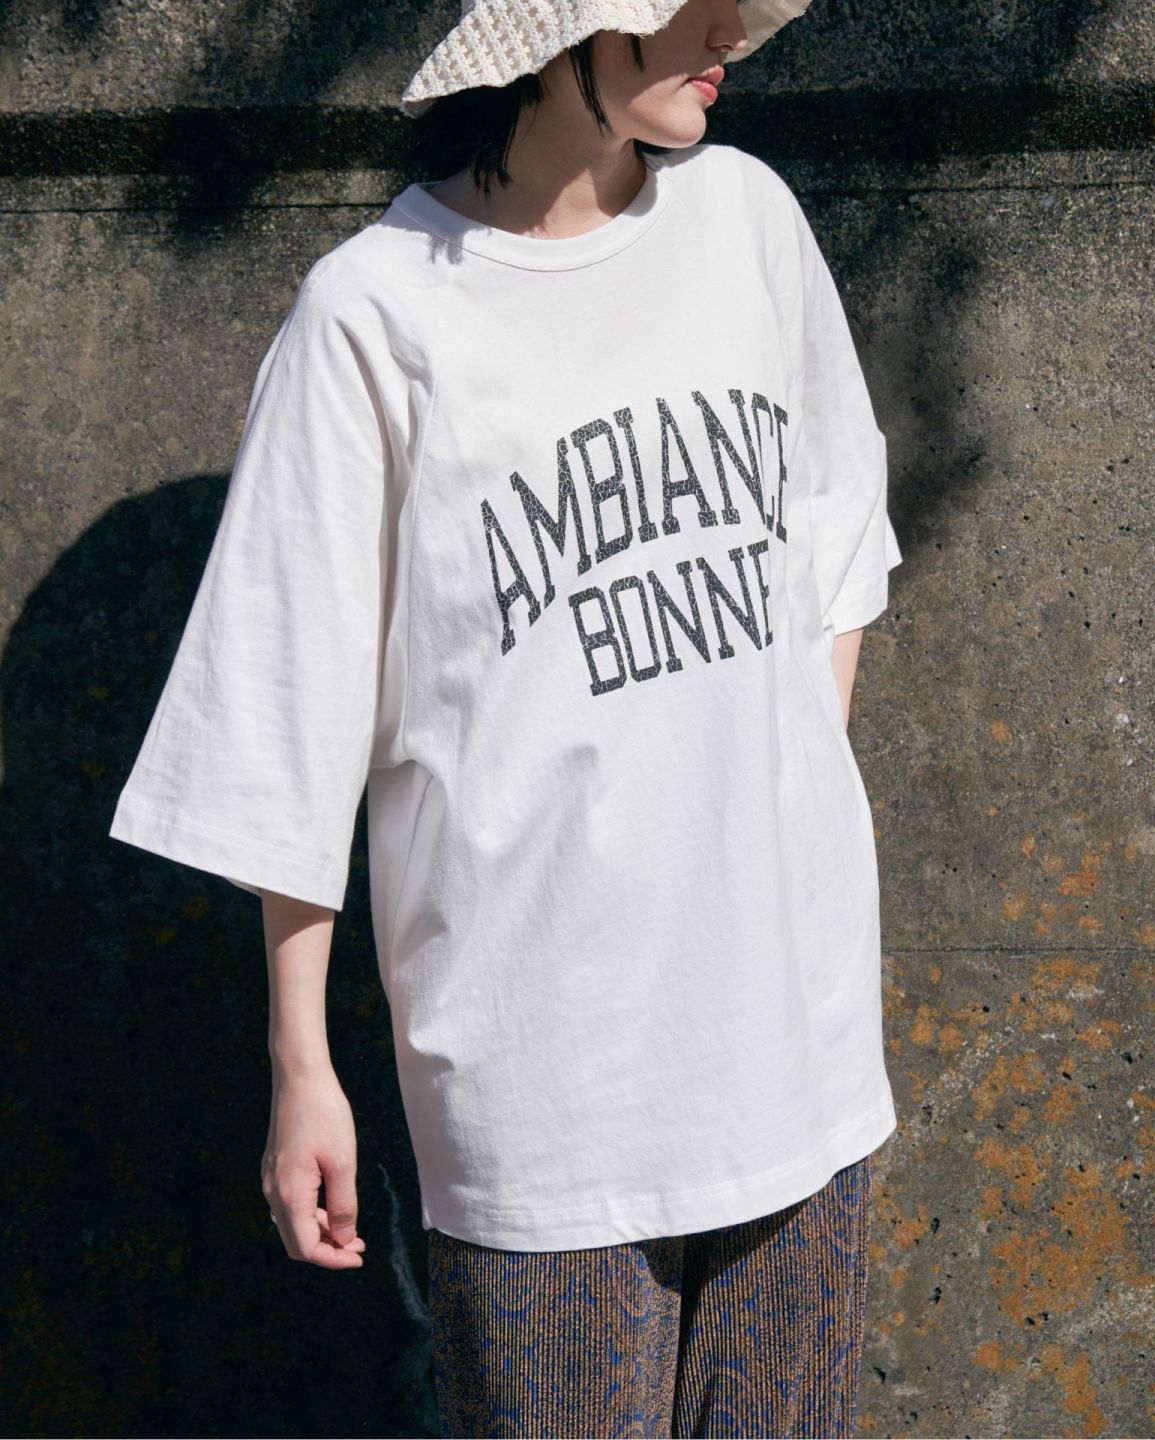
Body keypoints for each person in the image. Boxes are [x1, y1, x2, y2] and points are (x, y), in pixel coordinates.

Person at [108, 0, 904, 1433]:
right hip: (547, 1084)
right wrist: (303, 1067)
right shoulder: (375, 311)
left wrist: (780, 812)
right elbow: (288, 710)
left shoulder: (750, 222)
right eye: (680, 3)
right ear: (558, 34)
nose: (727, 30)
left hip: (800, 1038)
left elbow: (837, 538)